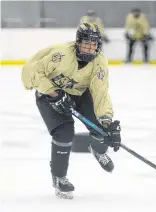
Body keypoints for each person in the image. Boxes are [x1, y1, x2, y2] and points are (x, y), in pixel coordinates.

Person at [21, 23, 121, 199]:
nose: (90, 48)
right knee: (64, 133)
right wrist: (54, 94)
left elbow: (100, 92)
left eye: (94, 43)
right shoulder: (61, 54)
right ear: (78, 42)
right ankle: (59, 177)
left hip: (79, 93)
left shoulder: (99, 62)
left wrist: (107, 122)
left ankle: (98, 149)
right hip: (49, 92)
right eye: (86, 43)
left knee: (100, 128)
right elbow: (31, 71)